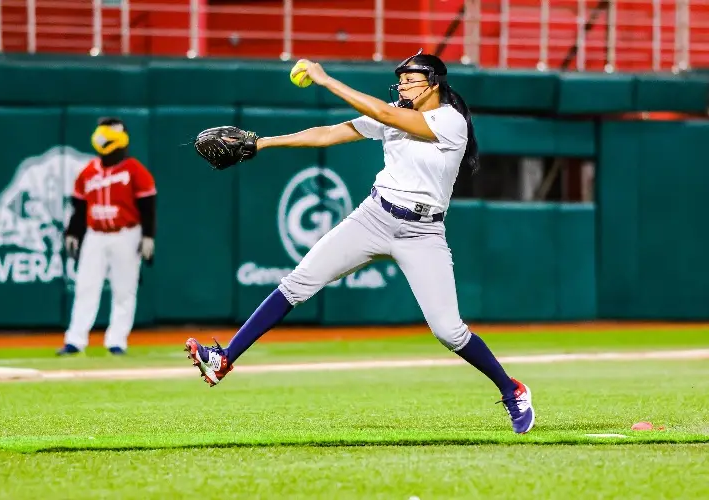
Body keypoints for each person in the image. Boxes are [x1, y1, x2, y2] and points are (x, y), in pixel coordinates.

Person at [186, 50, 535, 434]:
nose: (402, 84)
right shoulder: (394, 112)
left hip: (423, 232)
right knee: (297, 283)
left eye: (410, 77)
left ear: (435, 82)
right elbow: (329, 134)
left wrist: (326, 79)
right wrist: (264, 143)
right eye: (399, 78)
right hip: (374, 216)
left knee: (449, 331)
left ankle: (512, 389)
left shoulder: (449, 121)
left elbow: (387, 117)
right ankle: (223, 359)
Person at [56, 117, 157, 356]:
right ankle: (75, 340)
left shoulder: (134, 169)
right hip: (96, 234)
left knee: (125, 288)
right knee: (85, 286)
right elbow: (80, 209)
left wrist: (148, 236)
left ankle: (116, 341)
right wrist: (73, 233)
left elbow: (147, 205)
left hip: (126, 233)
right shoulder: (88, 172)